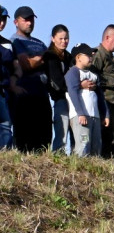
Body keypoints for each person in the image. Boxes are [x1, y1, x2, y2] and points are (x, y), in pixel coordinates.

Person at [9, 6, 51, 152]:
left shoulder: (40, 43)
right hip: (25, 95)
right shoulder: (14, 42)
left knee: (44, 139)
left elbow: (52, 64)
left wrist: (39, 60)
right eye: (25, 20)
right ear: (16, 22)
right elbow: (26, 64)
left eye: (31, 19)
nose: (29, 23)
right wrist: (42, 58)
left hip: (42, 95)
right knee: (24, 139)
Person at [91, 24, 114, 159]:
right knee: (107, 138)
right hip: (105, 104)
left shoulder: (111, 58)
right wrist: (113, 83)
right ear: (107, 37)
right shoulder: (98, 54)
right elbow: (92, 76)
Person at [65, 43, 106, 156]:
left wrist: (105, 114)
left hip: (95, 116)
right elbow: (72, 92)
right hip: (81, 116)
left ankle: (95, 168)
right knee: (84, 142)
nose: (91, 58)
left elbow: (100, 95)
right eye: (88, 55)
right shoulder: (73, 72)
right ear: (78, 57)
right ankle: (80, 166)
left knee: (96, 144)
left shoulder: (93, 74)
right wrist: (80, 113)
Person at [43, 24, 73, 153]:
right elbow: (56, 81)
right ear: (53, 38)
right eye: (60, 38)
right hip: (60, 97)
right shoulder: (50, 55)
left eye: (66, 38)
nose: (64, 41)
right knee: (61, 128)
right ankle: (58, 153)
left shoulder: (69, 56)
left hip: (72, 97)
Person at [0, 6, 15, 149]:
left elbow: (13, 67)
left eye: (4, 19)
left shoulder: (7, 44)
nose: (2, 23)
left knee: (5, 125)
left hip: (3, 91)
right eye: (0, 19)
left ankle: (4, 156)